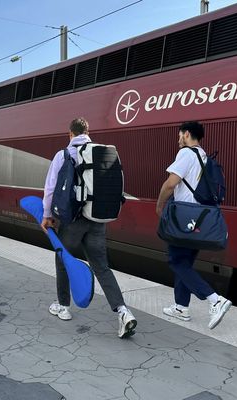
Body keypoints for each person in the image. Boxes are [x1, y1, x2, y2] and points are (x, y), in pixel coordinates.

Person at [41, 117, 137, 339]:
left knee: (62, 257)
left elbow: (50, 188)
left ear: (70, 133)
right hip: (96, 219)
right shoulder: (100, 152)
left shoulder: (63, 154)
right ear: (88, 131)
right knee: (102, 267)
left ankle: (63, 306)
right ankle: (123, 311)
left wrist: (47, 216)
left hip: (73, 220)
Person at [156, 121, 232, 329]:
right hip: (200, 219)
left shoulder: (187, 154)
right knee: (184, 263)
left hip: (184, 218)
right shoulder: (205, 157)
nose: (178, 138)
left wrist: (160, 204)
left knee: (175, 261)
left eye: (180, 134)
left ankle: (215, 299)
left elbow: (171, 183)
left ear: (186, 134)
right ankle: (181, 307)